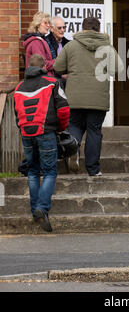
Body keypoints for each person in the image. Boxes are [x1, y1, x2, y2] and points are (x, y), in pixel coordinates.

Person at [54, 17, 122, 176]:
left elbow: (57, 67)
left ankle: (73, 151)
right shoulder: (106, 46)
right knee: (94, 131)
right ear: (98, 29)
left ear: (82, 28)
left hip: (74, 97)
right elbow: (119, 68)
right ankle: (93, 169)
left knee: (75, 127)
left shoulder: (71, 45)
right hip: (98, 98)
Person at [13, 54, 70, 232]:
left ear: (28, 67)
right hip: (46, 131)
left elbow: (17, 114)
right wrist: (61, 128)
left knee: (32, 171)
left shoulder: (19, 87)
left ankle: (35, 211)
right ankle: (42, 207)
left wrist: (23, 129)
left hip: (26, 132)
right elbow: (63, 109)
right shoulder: (52, 82)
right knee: (50, 171)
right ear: (44, 66)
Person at [23, 11, 55, 76]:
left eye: (49, 23)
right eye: (45, 23)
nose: (48, 25)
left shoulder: (40, 40)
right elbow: (41, 64)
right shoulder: (36, 42)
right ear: (37, 25)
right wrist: (58, 62)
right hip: (40, 80)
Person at [45, 16, 70, 88]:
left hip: (66, 81)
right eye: (59, 28)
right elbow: (45, 64)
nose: (62, 30)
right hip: (51, 82)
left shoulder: (67, 43)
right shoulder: (46, 42)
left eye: (64, 27)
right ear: (52, 29)